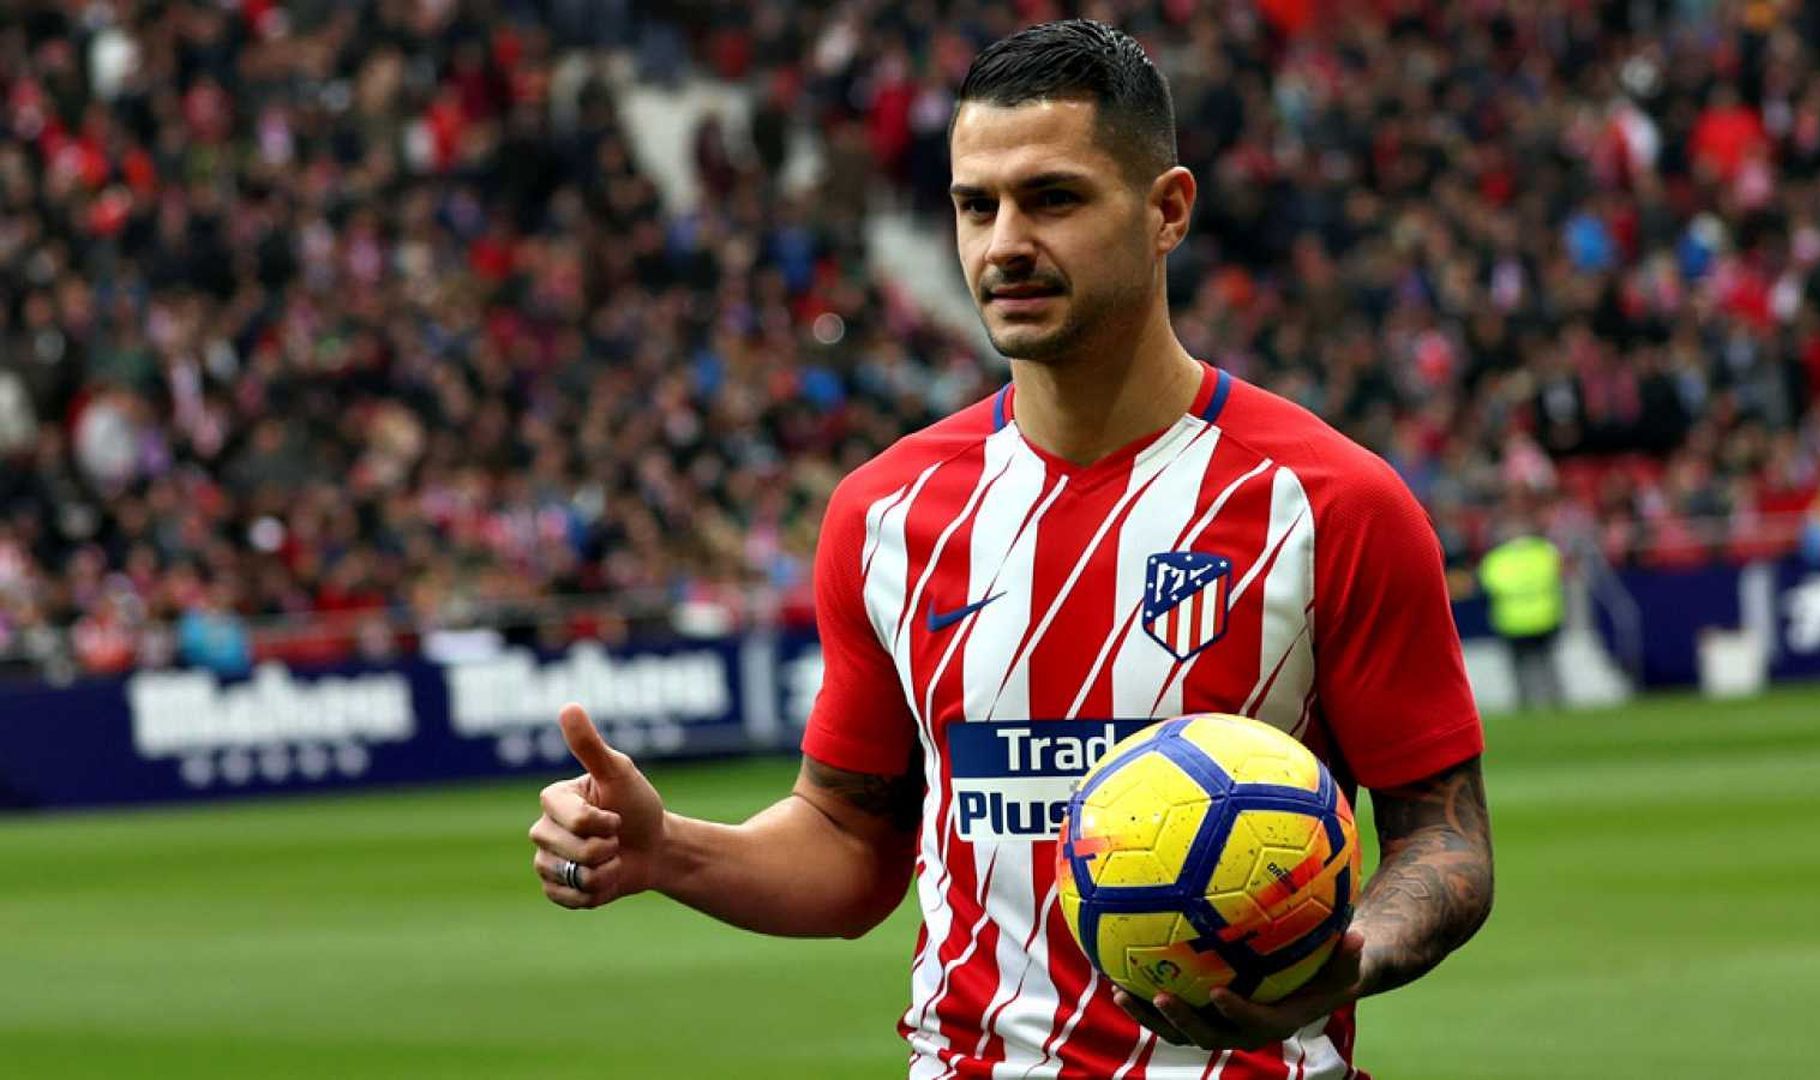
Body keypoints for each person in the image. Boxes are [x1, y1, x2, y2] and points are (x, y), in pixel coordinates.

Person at [528, 20, 1492, 1078]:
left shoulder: (1330, 503)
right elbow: (850, 850)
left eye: (1054, 198)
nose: (1004, 244)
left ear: (1168, 210)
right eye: (974, 206)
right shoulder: (886, 514)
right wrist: (669, 851)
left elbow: (1443, 839)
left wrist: (1351, 959)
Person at [1477, 514, 1566, 709]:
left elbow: (1488, 586)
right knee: (1547, 664)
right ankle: (1556, 703)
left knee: (1520, 668)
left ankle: (1525, 705)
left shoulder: (1495, 559)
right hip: (1545, 617)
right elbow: (1560, 575)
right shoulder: (1545, 551)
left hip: (1512, 621)